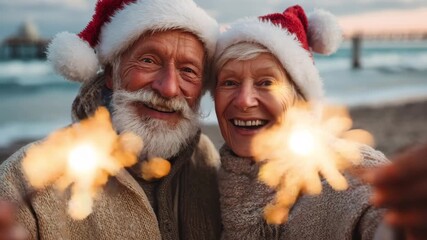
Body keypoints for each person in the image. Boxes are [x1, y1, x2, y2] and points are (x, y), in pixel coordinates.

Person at [0, 0, 222, 239]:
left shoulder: (207, 160)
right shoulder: (23, 179)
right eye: (148, 60)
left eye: (188, 70)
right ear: (110, 73)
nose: (168, 88)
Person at [212, 5, 391, 239]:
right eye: (229, 82)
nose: (244, 101)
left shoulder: (340, 172)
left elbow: (386, 214)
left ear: (301, 99)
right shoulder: (208, 182)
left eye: (266, 82)